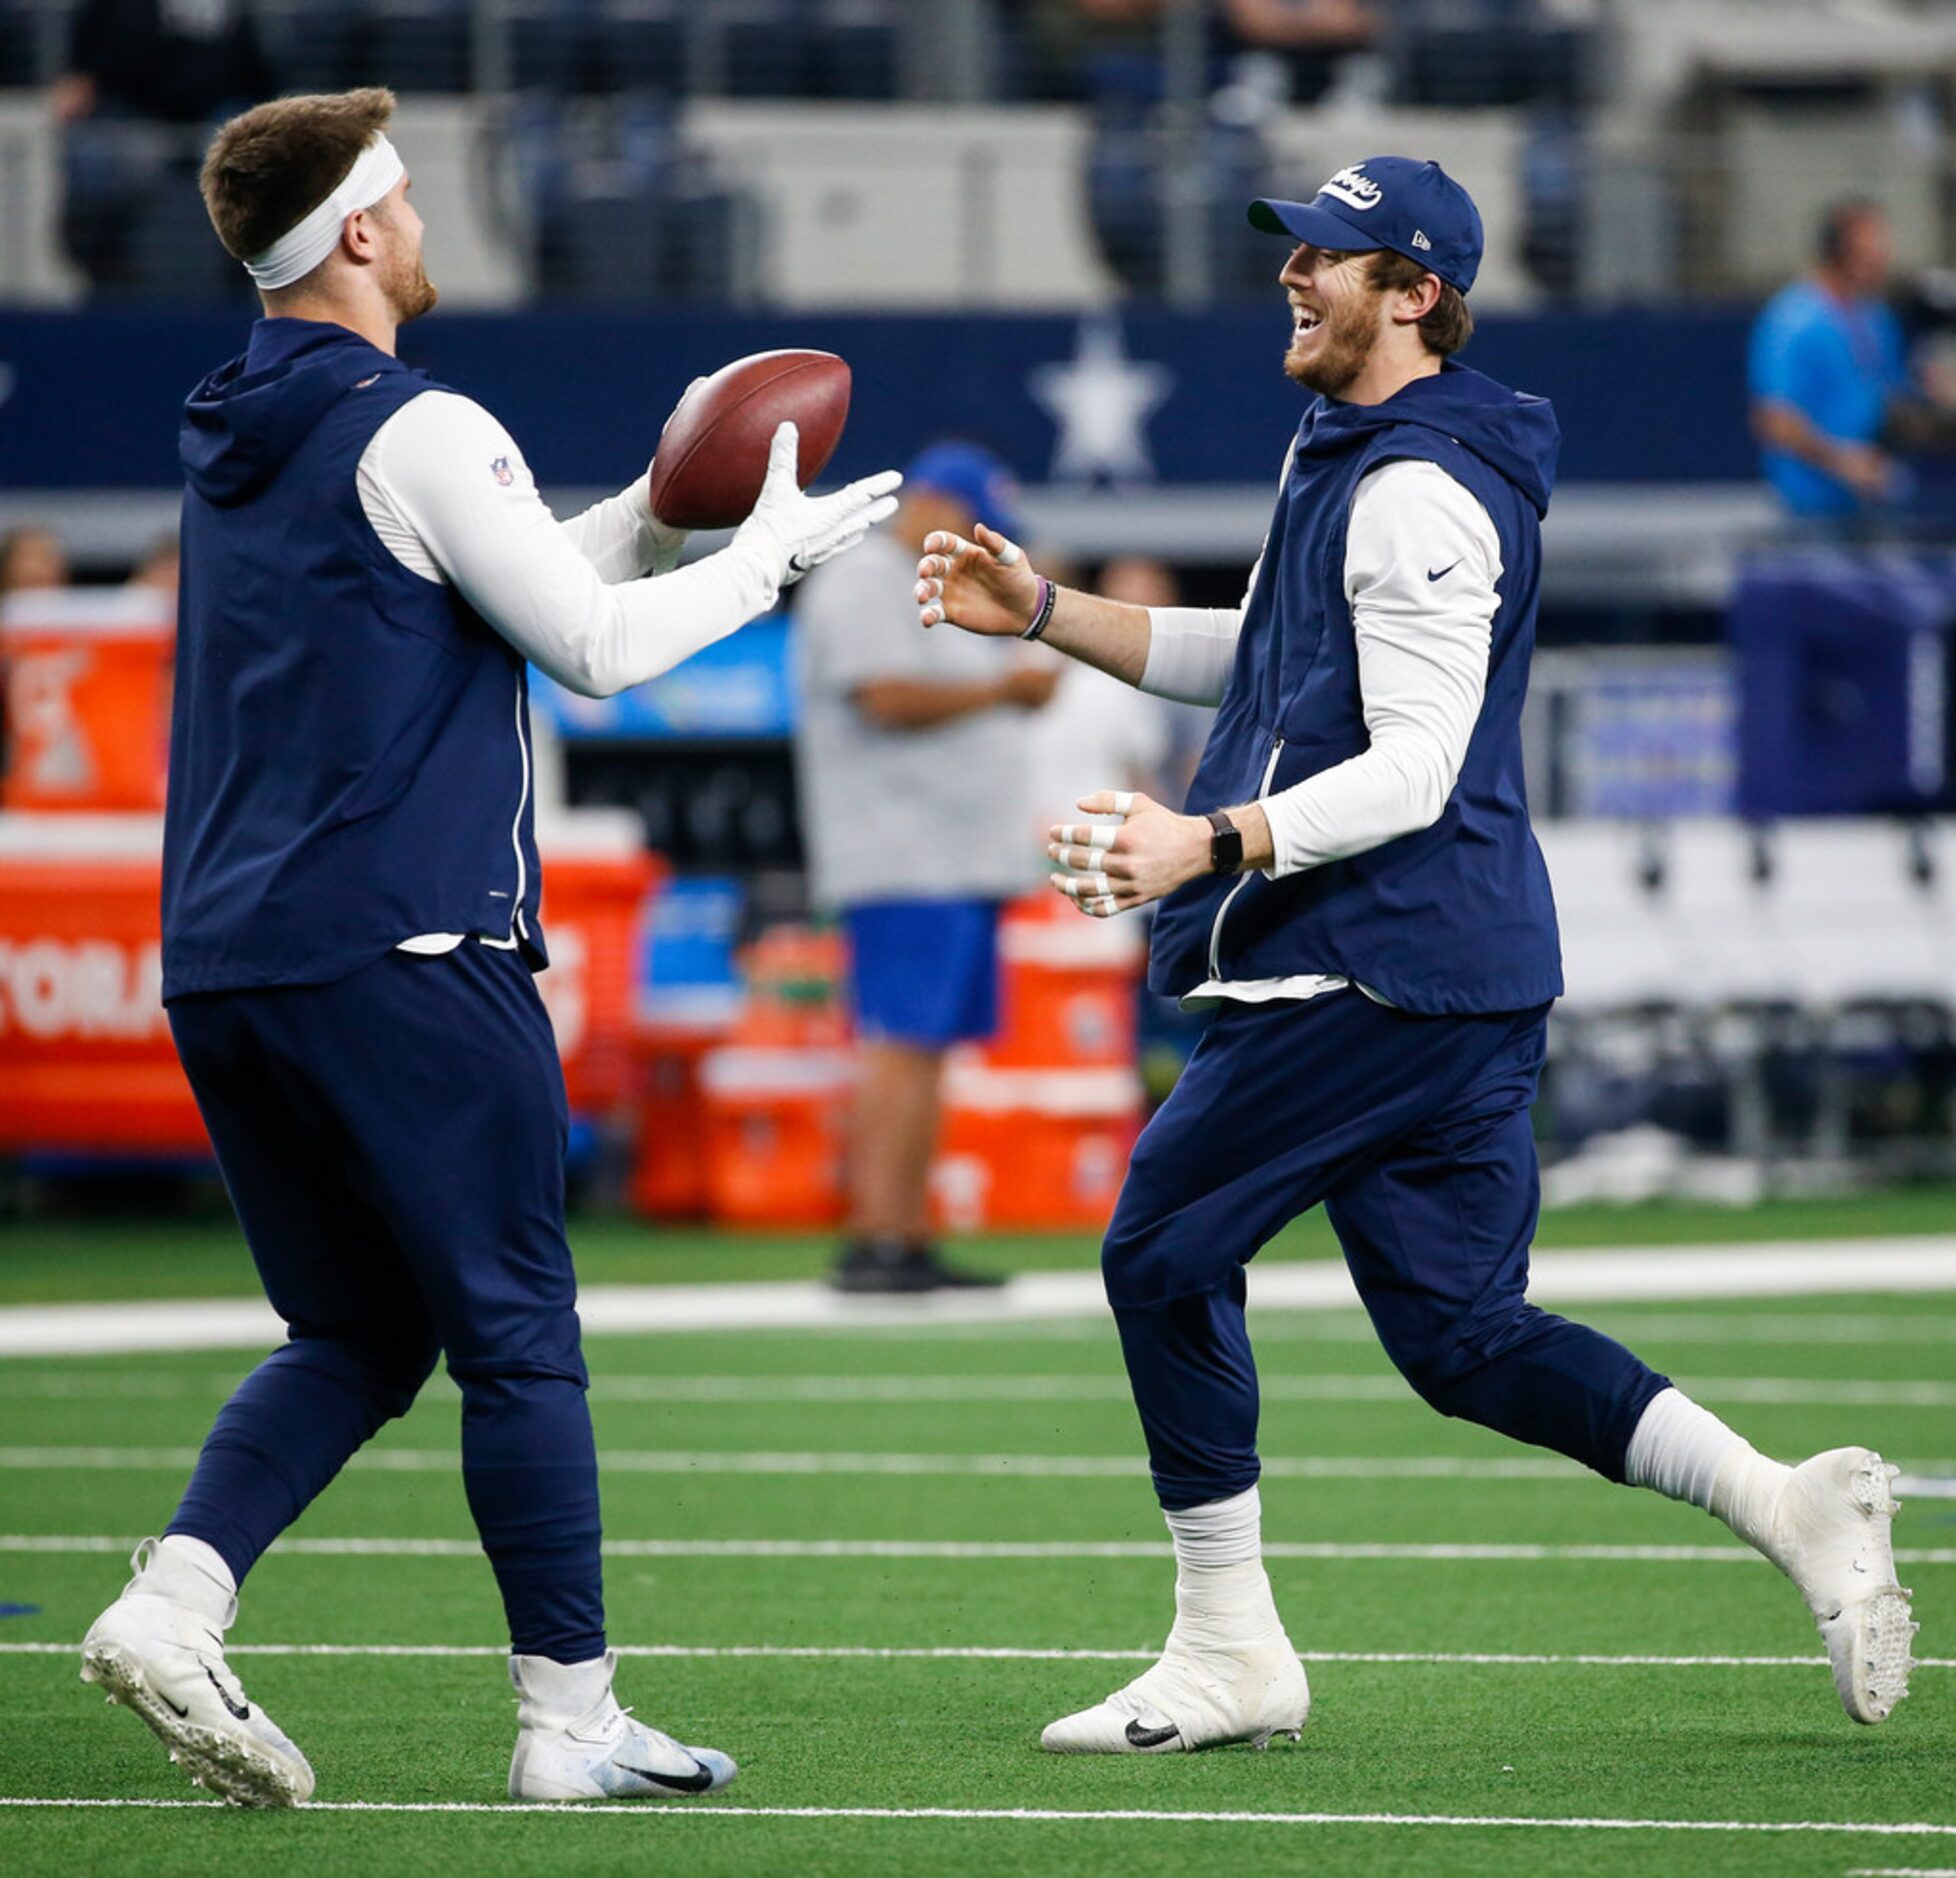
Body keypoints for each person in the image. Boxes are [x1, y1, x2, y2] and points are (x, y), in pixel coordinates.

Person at [916, 155, 1916, 1754]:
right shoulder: (1358, 449)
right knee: (1465, 1338)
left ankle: (1228, 1648)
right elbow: (1260, 656)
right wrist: (1047, 609)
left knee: (1158, 1251)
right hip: (1439, 964)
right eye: (1296, 251)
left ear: (1418, 293)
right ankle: (1791, 1506)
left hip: (1376, 959)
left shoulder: (1417, 483)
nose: (1295, 276)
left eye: (1332, 256)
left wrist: (1211, 840)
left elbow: (1413, 766)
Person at [77, 86, 899, 1807]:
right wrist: (765, 559)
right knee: (519, 1329)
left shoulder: (238, 417)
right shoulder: (419, 421)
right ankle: (570, 1718)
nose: (429, 224)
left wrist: (667, 513)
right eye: (409, 199)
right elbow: (589, 646)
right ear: (362, 231)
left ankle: (175, 1597)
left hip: (233, 954)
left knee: (358, 1332)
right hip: (405, 938)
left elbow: (497, 582)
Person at [794, 441, 1057, 1292]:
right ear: (937, 503)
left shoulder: (928, 584)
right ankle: (876, 1233)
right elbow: (884, 696)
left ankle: (905, 1233)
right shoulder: (866, 580)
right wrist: (1003, 692)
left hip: (950, 858)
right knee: (901, 1045)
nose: (985, 543)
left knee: (928, 1046)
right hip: (903, 856)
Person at [1749, 199, 1913, 524]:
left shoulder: (1877, 319)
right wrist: (1843, 462)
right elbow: (1775, 420)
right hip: (1810, 511)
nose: (1883, 260)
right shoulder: (1792, 322)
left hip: (1872, 506)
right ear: (1839, 255)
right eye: (1871, 252)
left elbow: (1890, 395)